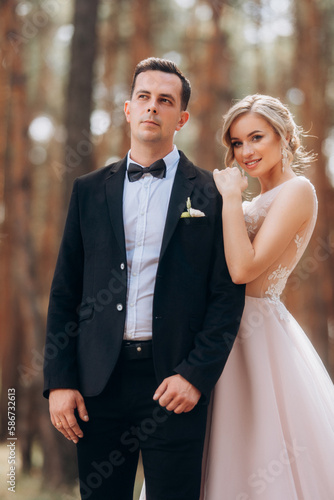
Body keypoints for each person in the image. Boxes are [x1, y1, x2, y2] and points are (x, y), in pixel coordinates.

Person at [43, 57, 245, 500]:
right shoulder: (88, 190)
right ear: (128, 109)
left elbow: (226, 296)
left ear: (182, 118)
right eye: (144, 97)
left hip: (173, 383)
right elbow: (64, 293)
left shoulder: (213, 194)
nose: (153, 107)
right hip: (98, 384)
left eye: (165, 100)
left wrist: (195, 375)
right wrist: (60, 380)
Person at [199, 94, 334, 499]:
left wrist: (228, 199)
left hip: (256, 335)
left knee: (258, 449)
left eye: (256, 137)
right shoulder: (253, 200)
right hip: (219, 331)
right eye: (237, 143)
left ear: (286, 136)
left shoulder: (298, 192)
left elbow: (244, 269)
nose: (245, 152)